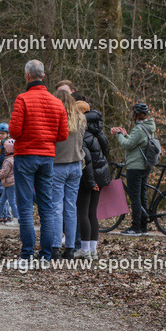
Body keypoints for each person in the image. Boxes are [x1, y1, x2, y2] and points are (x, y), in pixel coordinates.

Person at [8, 60, 68, 266]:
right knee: (47, 207)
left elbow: (14, 131)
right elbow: (63, 134)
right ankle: (46, 256)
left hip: (26, 155)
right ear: (43, 76)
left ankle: (26, 256)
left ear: (27, 76)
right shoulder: (57, 102)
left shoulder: (22, 99)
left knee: (25, 207)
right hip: (47, 158)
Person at [50, 90, 86, 259]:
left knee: (57, 206)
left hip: (58, 165)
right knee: (71, 207)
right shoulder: (81, 118)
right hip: (76, 164)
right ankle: (70, 247)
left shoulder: (56, 118)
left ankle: (56, 246)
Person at [111, 103, 156, 236]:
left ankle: (135, 227)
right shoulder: (148, 127)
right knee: (142, 196)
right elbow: (135, 143)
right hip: (144, 167)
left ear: (136, 114)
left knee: (135, 197)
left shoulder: (138, 129)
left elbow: (127, 145)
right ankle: (143, 226)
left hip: (135, 167)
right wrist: (125, 135)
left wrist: (118, 134)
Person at [76, 99, 110, 259]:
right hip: (101, 173)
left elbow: (87, 159)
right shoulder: (98, 131)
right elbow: (106, 151)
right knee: (93, 213)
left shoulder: (82, 133)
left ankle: (85, 249)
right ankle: (93, 249)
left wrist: (90, 182)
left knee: (82, 212)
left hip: (89, 176)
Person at [0, 139, 18, 225]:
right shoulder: (13, 158)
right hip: (9, 183)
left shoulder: (8, 160)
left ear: (8, 149)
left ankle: (16, 218)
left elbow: (4, 173)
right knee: (2, 201)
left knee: (11, 201)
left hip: (10, 183)